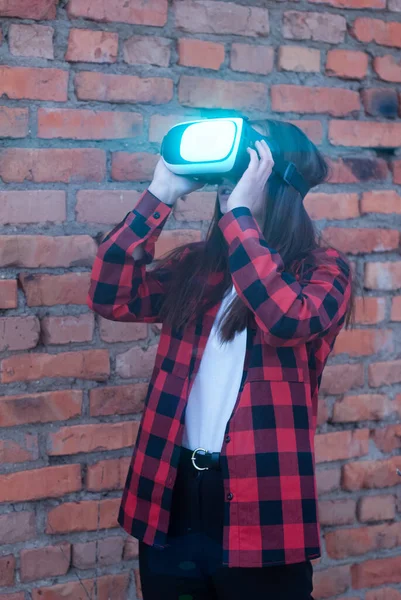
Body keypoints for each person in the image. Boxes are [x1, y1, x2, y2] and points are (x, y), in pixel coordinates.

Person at [87, 118, 354, 600]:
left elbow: (286, 318)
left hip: (261, 506)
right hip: (174, 502)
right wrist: (160, 193)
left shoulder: (323, 269)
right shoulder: (197, 266)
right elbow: (111, 295)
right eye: (225, 186)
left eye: (242, 182)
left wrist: (240, 219)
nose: (227, 195)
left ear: (280, 185)